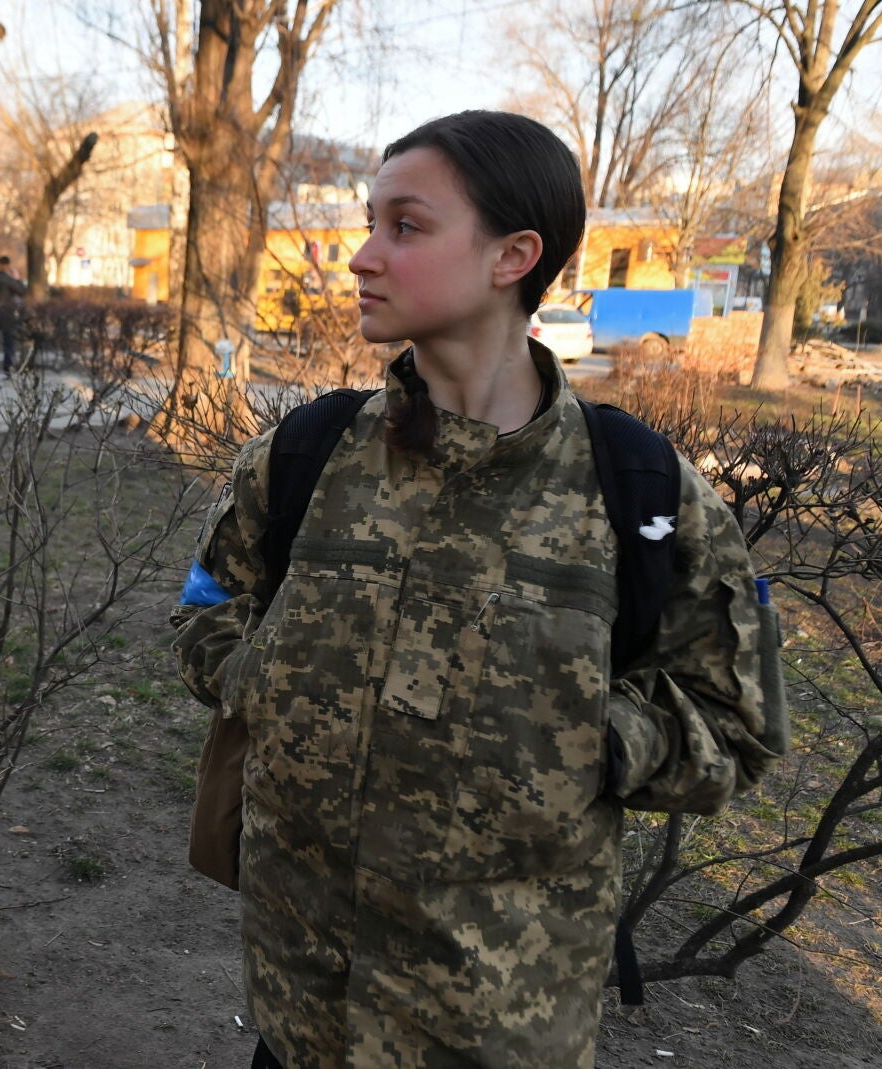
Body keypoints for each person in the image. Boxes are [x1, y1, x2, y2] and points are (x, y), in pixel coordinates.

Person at [170, 110, 780, 1069]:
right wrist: (269, 680)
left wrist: (587, 738)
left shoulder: (642, 493)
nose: (363, 257)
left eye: (405, 226)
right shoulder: (303, 456)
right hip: (300, 1017)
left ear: (513, 256)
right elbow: (206, 608)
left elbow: (736, 725)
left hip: (497, 1030)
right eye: (369, 224)